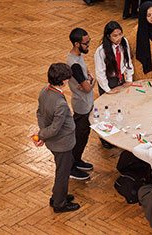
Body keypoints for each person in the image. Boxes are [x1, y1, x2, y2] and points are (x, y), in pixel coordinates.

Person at [32, 63, 80, 213]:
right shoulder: (60, 103)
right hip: (62, 143)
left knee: (64, 167)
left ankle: (58, 195)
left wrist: (42, 132)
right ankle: (59, 203)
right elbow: (54, 129)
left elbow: (39, 112)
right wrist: (42, 135)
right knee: (63, 173)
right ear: (63, 80)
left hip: (54, 142)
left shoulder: (44, 91)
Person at [66, 28, 96, 180]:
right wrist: (92, 81)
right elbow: (87, 86)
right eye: (86, 43)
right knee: (79, 137)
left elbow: (87, 76)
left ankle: (77, 161)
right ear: (77, 44)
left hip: (86, 103)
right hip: (82, 106)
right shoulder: (74, 64)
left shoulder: (78, 57)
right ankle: (71, 167)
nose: (89, 45)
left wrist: (88, 80)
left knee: (83, 136)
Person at [128, 1, 152, 81]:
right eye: (148, 15)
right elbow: (131, 50)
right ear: (143, 16)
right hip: (143, 68)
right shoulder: (136, 32)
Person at [95, 21, 134, 95]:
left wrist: (129, 78)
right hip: (108, 81)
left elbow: (128, 60)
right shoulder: (101, 51)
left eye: (120, 34)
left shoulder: (124, 42)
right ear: (108, 36)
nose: (119, 38)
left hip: (120, 78)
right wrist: (107, 89)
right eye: (115, 36)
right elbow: (100, 73)